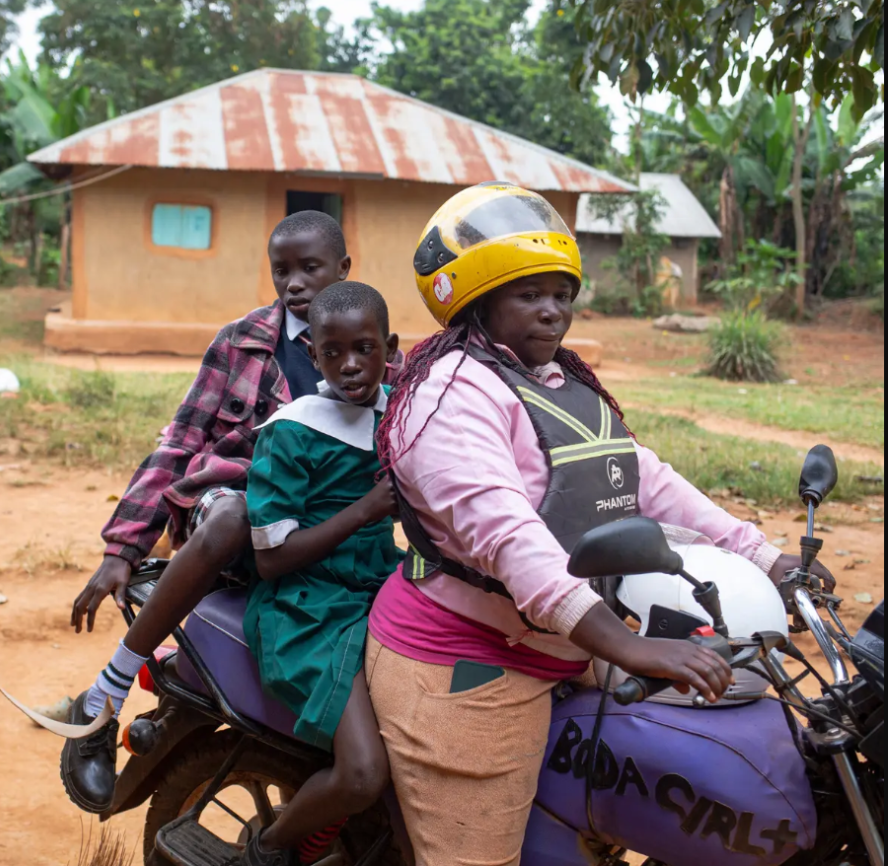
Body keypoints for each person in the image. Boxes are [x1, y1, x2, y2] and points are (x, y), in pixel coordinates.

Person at [364, 182, 836, 866]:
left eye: (561, 293)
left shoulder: (559, 383)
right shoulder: (447, 398)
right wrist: (628, 646)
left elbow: (646, 479)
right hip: (470, 660)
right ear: (474, 300)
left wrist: (766, 558)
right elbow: (507, 537)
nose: (553, 311)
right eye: (529, 294)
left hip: (573, 641)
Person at [62, 211, 367, 814]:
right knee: (235, 512)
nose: (295, 283)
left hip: (317, 538)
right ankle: (105, 693)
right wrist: (123, 548)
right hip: (224, 522)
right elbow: (179, 442)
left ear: (343, 269)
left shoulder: (371, 349)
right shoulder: (243, 340)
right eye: (283, 270)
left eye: (310, 268)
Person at [241, 281, 402, 866]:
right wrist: (364, 510)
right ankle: (267, 851)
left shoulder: (402, 415)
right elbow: (272, 558)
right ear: (313, 357)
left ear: (391, 347)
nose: (350, 365)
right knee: (362, 773)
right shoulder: (293, 430)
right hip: (305, 611)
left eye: (365, 348)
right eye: (332, 353)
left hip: (383, 592)